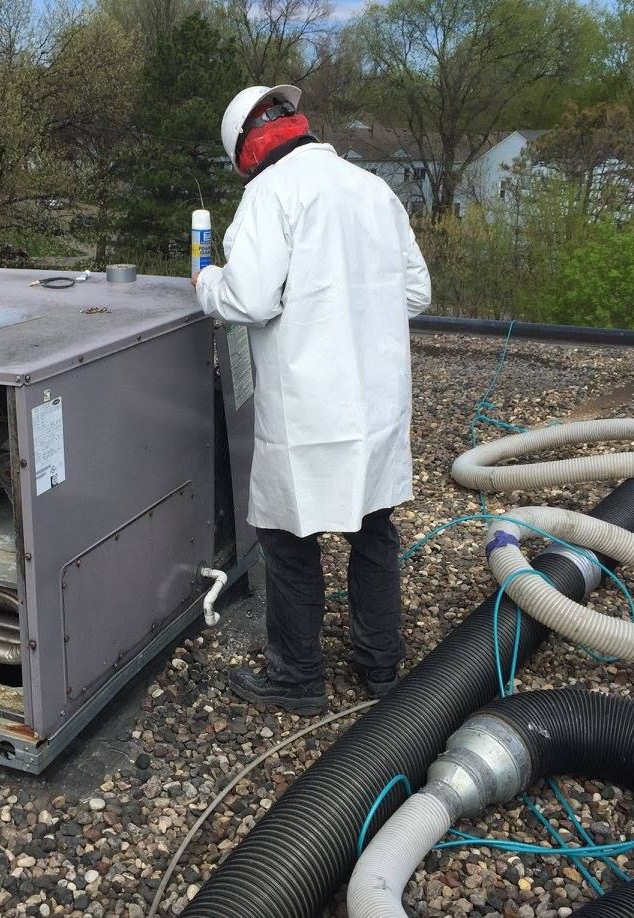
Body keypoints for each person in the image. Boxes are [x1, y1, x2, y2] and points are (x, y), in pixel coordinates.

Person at [193, 85, 432, 714]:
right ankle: (380, 667)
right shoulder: (372, 189)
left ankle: (298, 676)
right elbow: (416, 294)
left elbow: (249, 300)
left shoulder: (270, 194)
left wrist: (206, 281)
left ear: (243, 147)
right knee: (372, 526)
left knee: (286, 536)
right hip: (375, 406)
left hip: (306, 408)